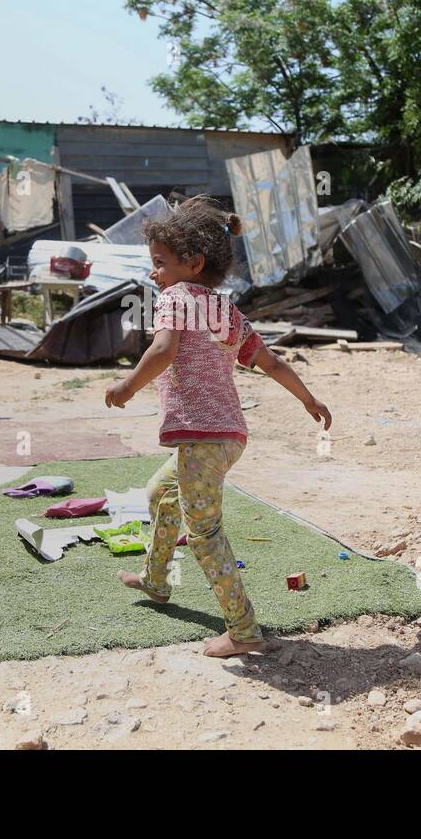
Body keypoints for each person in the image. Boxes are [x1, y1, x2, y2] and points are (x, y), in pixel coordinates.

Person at [104, 197, 333, 657]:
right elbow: (268, 361)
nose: (155, 274)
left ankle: (244, 631)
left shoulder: (174, 298)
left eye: (160, 264)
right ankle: (156, 579)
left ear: (193, 263)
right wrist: (309, 399)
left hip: (201, 434)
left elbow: (164, 349)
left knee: (206, 534)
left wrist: (127, 386)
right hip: (229, 437)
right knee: (159, 492)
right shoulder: (227, 312)